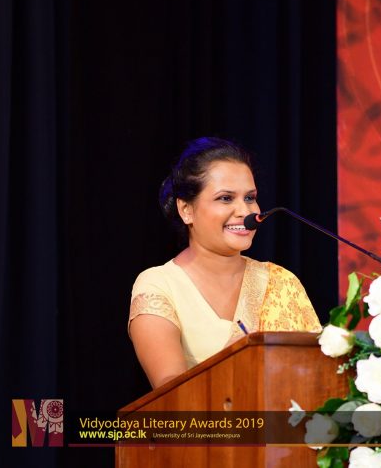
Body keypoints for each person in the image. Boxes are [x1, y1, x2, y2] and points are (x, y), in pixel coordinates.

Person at [128, 137, 322, 389]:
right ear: (186, 210)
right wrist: (234, 360)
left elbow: (317, 376)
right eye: (226, 198)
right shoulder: (159, 285)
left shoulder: (282, 283)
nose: (245, 211)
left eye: (250, 198)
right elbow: (170, 392)